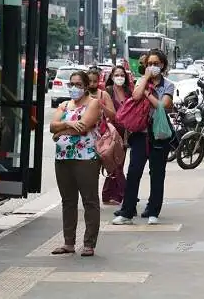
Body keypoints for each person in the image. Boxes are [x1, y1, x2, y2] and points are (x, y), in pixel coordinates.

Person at [112, 49, 174, 226]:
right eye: (149, 64)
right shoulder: (141, 81)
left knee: (157, 174)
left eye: (156, 64)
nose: (152, 67)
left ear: (162, 65)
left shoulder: (168, 85)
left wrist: (149, 93)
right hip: (140, 134)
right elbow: (136, 95)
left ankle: (153, 210)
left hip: (159, 135)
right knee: (133, 172)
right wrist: (145, 80)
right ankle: (127, 211)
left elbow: (163, 106)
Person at [49, 71, 101, 257]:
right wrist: (70, 125)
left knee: (89, 200)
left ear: (86, 86)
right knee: (68, 201)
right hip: (63, 157)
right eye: (72, 84)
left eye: (79, 84)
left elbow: (85, 126)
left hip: (85, 157)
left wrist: (61, 130)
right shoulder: (64, 104)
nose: (74, 88)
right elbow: (52, 126)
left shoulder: (93, 103)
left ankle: (89, 244)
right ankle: (68, 243)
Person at [101, 65, 132, 205]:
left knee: (119, 163)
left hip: (125, 132)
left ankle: (110, 194)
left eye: (122, 75)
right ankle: (124, 192)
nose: (120, 77)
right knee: (114, 164)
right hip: (112, 131)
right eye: (117, 75)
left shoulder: (128, 92)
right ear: (112, 77)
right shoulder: (107, 91)